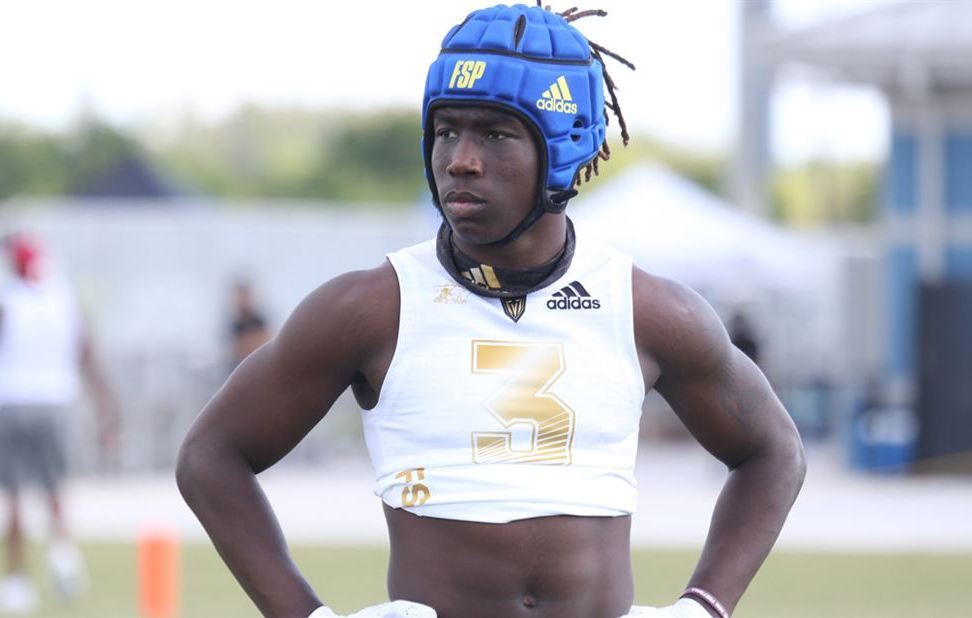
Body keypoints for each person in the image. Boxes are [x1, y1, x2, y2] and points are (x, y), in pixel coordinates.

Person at [177, 4, 806, 618]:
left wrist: (704, 607)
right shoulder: (371, 307)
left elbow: (773, 451)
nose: (460, 159)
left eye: (494, 133)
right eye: (446, 130)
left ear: (564, 145)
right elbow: (210, 456)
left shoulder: (647, 309)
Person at [0, 233, 118, 613]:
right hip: (56, 404)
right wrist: (107, 408)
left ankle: (17, 583)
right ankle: (64, 561)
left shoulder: (8, 302)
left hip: (13, 402)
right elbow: (89, 356)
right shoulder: (65, 300)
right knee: (54, 492)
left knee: (14, 497)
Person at [226, 277, 271, 371]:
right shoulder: (235, 325)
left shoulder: (259, 321)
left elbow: (265, 344)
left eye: (246, 295)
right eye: (241, 296)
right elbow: (235, 351)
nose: (243, 300)